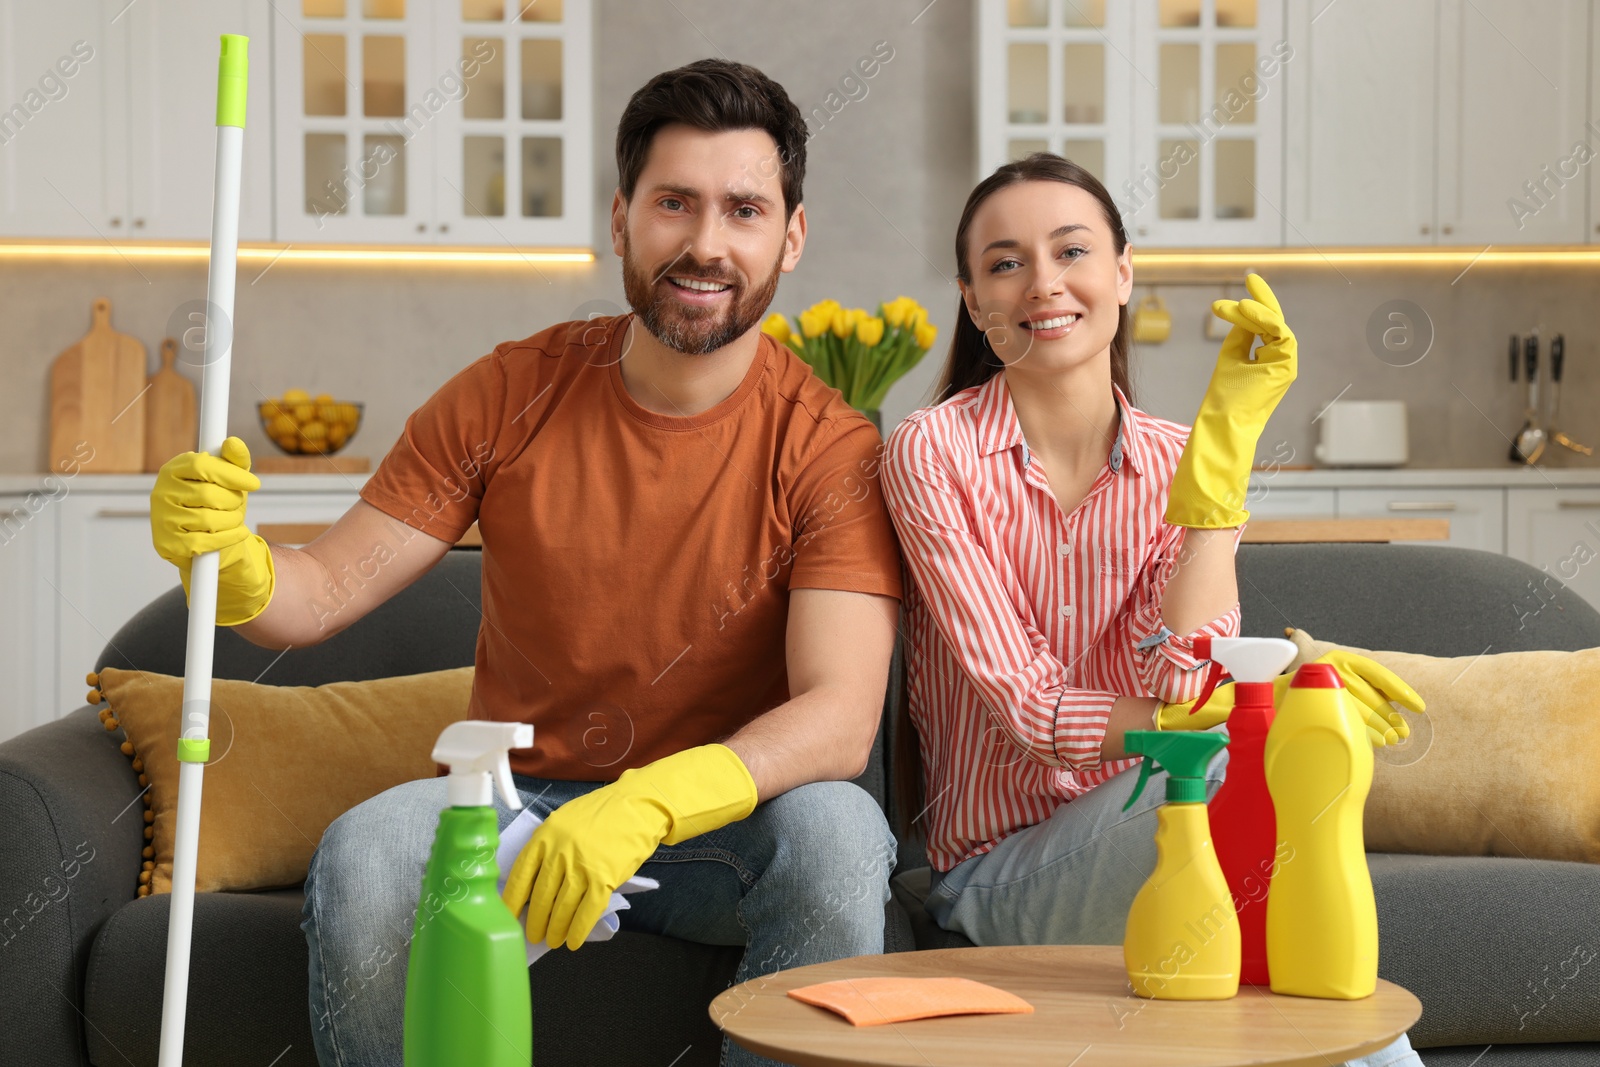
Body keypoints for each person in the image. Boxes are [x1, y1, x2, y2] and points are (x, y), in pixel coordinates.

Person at [149, 59, 903, 1067]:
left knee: (839, 834)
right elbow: (319, 592)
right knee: (367, 852)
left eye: (743, 209)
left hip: (724, 824)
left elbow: (840, 714)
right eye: (673, 202)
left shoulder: (830, 447)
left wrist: (649, 801)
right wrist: (235, 566)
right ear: (621, 217)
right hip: (513, 801)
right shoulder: (510, 392)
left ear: (790, 235)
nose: (706, 242)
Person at [880, 153, 1428, 1067]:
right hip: (993, 872)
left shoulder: (1184, 460)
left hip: (1155, 834)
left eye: (1072, 252)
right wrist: (1224, 727)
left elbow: (1187, 674)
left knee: (1240, 826)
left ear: (1123, 275)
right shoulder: (930, 453)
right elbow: (1028, 709)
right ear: (974, 300)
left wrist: (1219, 475)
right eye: (1007, 263)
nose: (1043, 284)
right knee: (1230, 777)